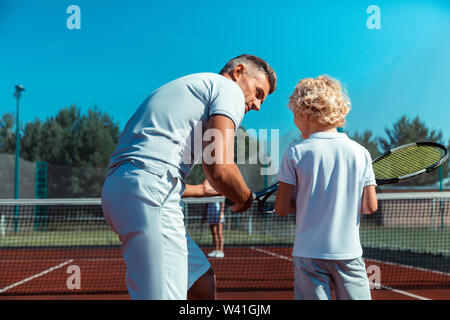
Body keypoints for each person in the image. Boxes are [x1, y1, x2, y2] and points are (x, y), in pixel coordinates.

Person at [101, 54, 277, 300]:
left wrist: (202, 190)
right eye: (258, 92)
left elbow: (144, 170)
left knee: (201, 282)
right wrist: (244, 197)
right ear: (238, 72)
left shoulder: (192, 87)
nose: (258, 104)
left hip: (124, 191)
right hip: (152, 193)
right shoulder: (229, 89)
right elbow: (219, 167)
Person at [275, 75, 378, 300]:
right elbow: (370, 206)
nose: (293, 121)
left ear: (306, 111)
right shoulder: (361, 153)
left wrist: (306, 201)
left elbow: (281, 208)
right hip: (349, 254)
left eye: (294, 114)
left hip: (308, 255)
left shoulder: (295, 153)